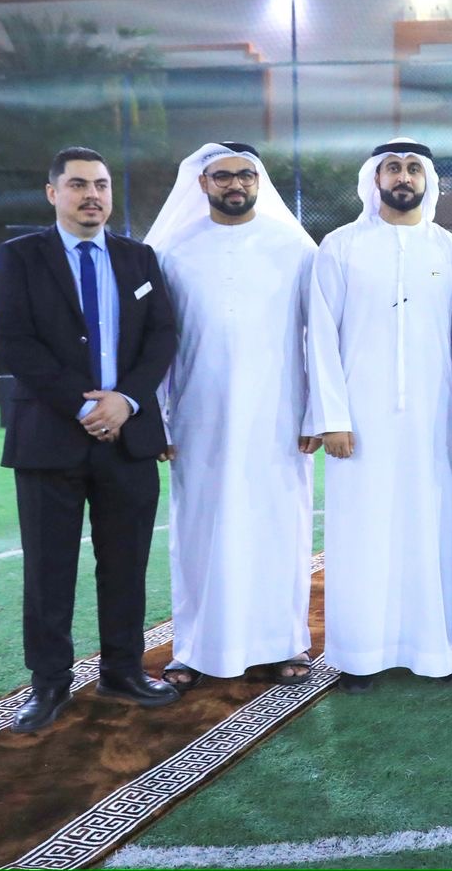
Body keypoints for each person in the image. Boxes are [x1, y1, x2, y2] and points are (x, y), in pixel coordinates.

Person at [0, 146, 179, 733]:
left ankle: (122, 670)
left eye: (100, 184)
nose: (91, 195)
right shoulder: (21, 256)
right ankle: (49, 683)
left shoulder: (139, 257)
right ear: (53, 193)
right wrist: (83, 405)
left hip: (128, 437)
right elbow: (15, 341)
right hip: (50, 437)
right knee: (49, 568)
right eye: (77, 185)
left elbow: (162, 336)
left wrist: (126, 401)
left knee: (125, 564)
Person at [143, 142, 319, 692]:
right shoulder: (172, 250)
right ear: (202, 183)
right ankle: (195, 648)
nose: (235, 184)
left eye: (246, 174)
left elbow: (319, 336)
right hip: (198, 417)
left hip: (279, 416)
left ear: (259, 181)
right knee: (200, 531)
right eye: (223, 176)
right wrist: (157, 419)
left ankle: (284, 643)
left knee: (279, 528)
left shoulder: (294, 247)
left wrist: (317, 412)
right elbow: (154, 342)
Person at [308, 138, 452, 691]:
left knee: (433, 533)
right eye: (392, 168)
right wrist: (332, 417)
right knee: (361, 536)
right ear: (374, 179)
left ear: (426, 179)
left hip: (434, 420)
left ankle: (437, 652)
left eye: (412, 168)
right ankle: (358, 657)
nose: (403, 177)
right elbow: (321, 337)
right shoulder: (340, 246)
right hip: (359, 424)